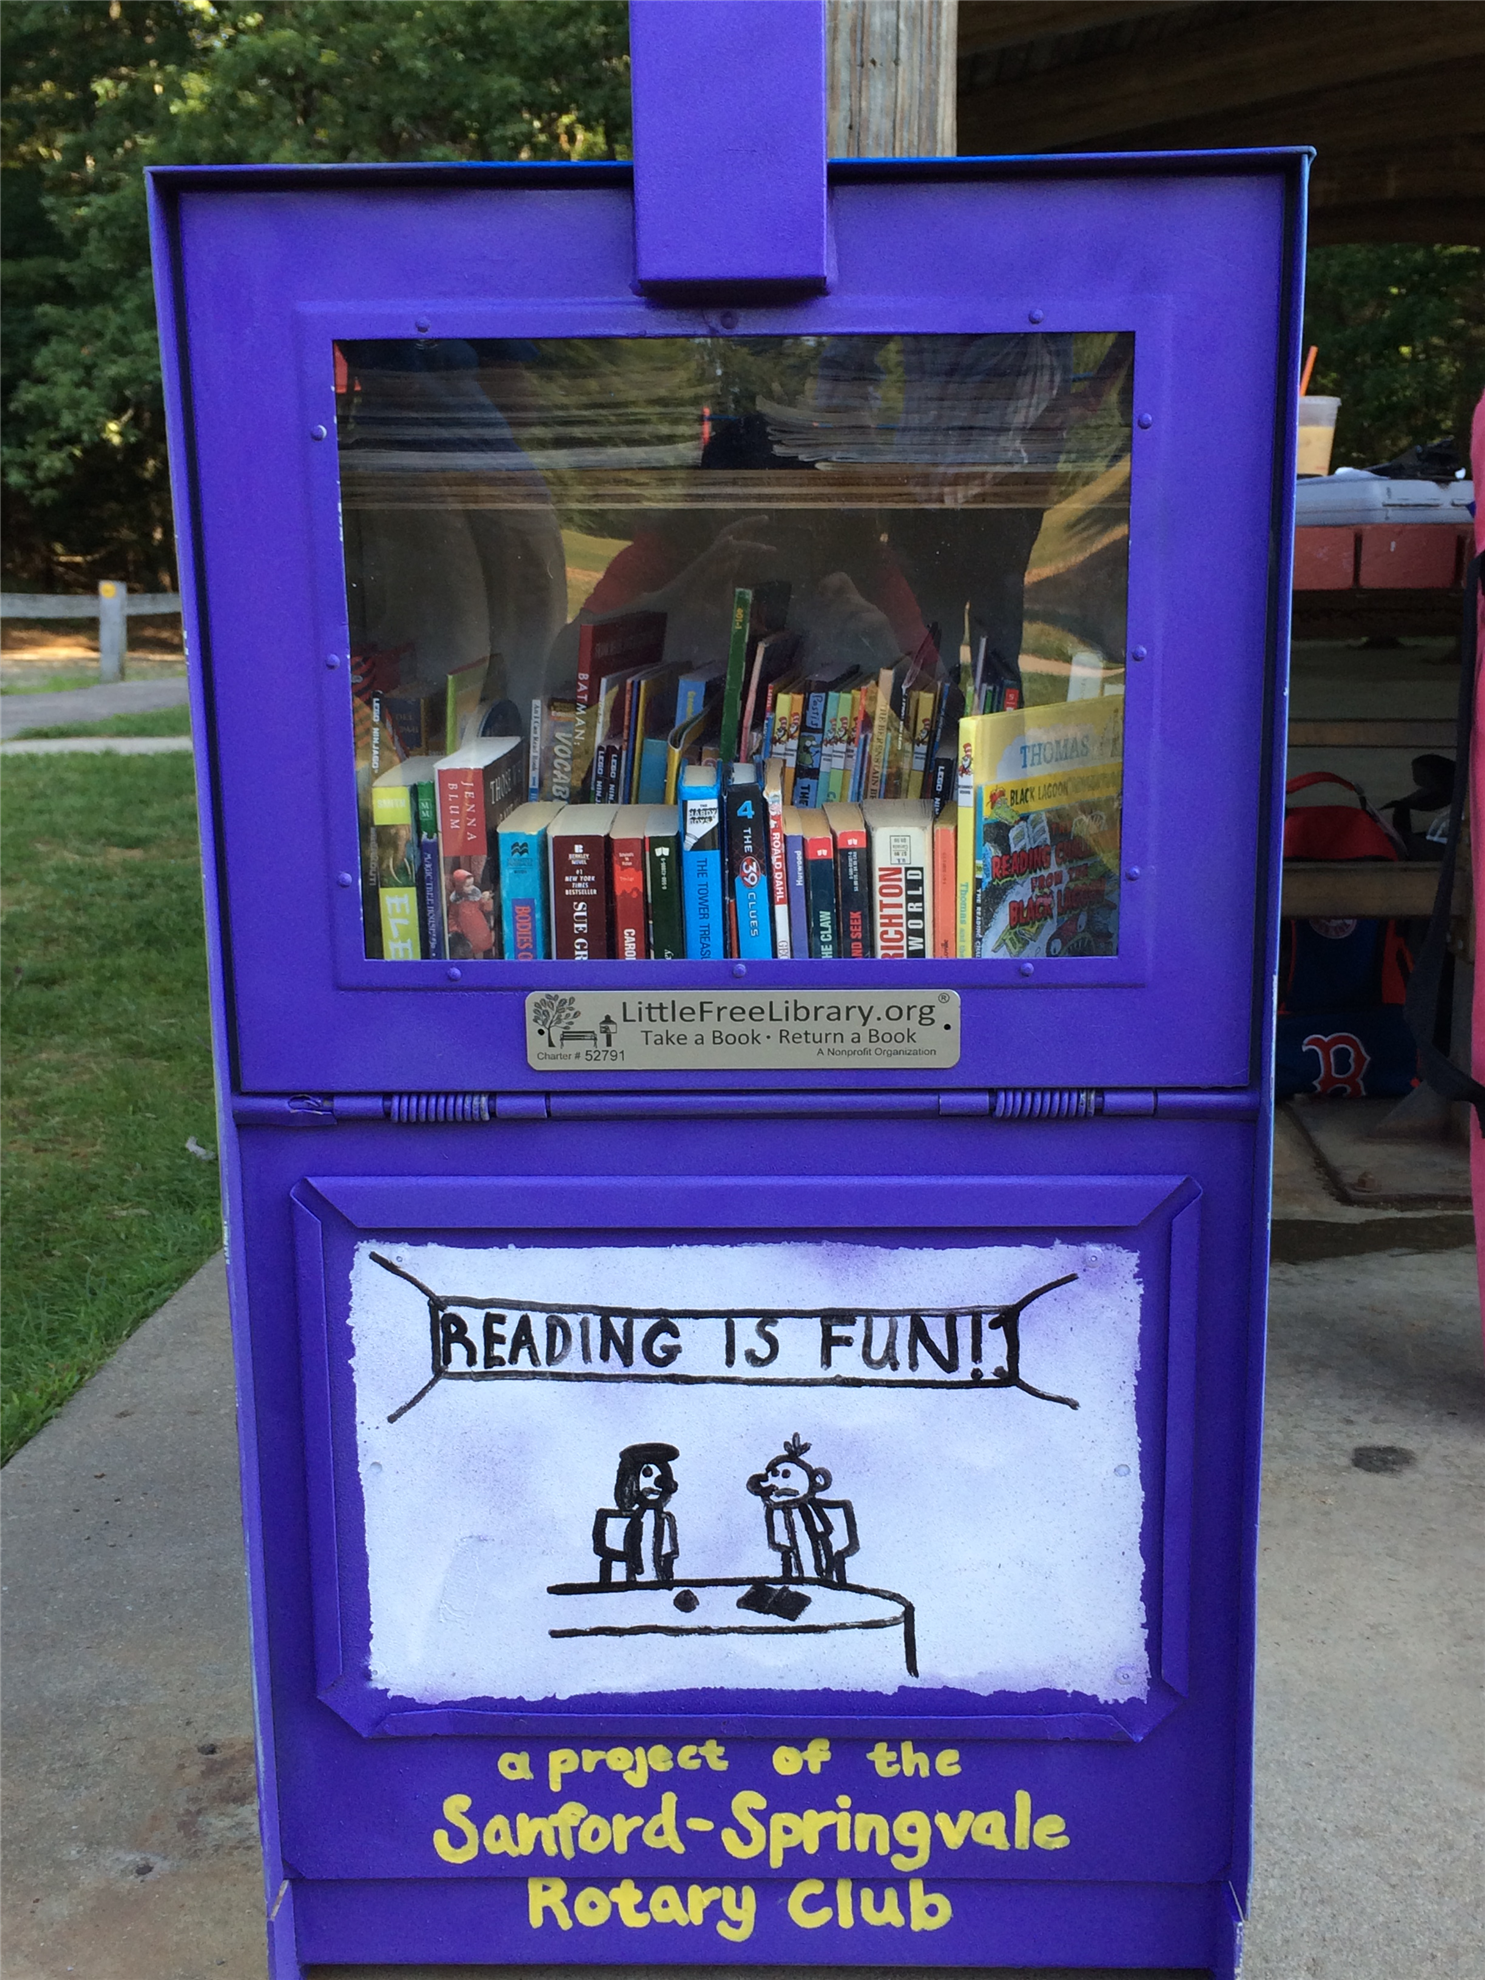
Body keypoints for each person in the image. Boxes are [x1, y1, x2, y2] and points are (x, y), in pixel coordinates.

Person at [746, 1434, 858, 1586]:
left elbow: (831, 1524)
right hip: (794, 1575)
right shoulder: (774, 1511)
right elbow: (773, 1542)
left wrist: (844, 1550)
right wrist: (782, 1550)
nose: (776, 1485)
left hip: (823, 1566)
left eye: (786, 1475)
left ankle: (827, 1574)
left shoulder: (811, 1505)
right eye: (773, 1476)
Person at [592, 1443, 680, 1585]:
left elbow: (673, 1547)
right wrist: (625, 1557)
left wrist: (669, 1558)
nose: (653, 1488)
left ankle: (660, 1576)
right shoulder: (634, 1516)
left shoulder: (666, 1517)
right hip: (634, 1572)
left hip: (661, 1572)